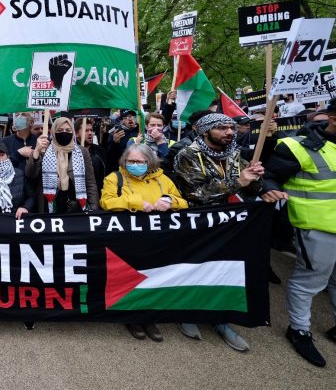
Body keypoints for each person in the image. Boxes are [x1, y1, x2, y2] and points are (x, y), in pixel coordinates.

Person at [173, 113, 265, 351]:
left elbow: (251, 186)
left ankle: (220, 319)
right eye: (222, 128)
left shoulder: (233, 154)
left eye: (231, 128)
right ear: (205, 131)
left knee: (223, 269)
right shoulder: (188, 155)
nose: (229, 132)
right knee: (194, 267)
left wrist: (255, 177)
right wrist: (238, 183)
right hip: (199, 224)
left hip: (230, 224)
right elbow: (195, 193)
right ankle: (188, 313)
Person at [260, 97, 336, 367]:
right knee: (310, 281)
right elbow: (269, 176)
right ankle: (299, 330)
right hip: (316, 228)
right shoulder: (297, 146)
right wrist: (268, 188)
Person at [101, 144, 188, 342]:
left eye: (140, 162)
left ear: (150, 162)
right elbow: (107, 202)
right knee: (129, 277)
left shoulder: (163, 180)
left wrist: (169, 200)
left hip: (157, 240)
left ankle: (148, 317)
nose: (135, 165)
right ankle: (132, 316)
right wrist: (137, 203)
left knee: (153, 276)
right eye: (131, 161)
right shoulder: (115, 178)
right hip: (128, 238)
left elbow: (182, 202)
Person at [27, 117, 99, 213]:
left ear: (72, 132)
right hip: (49, 205)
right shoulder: (44, 150)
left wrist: (93, 209)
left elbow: (90, 183)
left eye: (68, 130)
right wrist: (36, 151)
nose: (64, 132)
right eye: (60, 130)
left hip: (75, 206)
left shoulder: (82, 152)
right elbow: (31, 174)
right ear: (53, 132)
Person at [77, 119, 107, 193]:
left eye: (91, 130)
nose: (90, 133)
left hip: (98, 195)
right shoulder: (71, 152)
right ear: (76, 133)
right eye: (86, 131)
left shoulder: (100, 151)